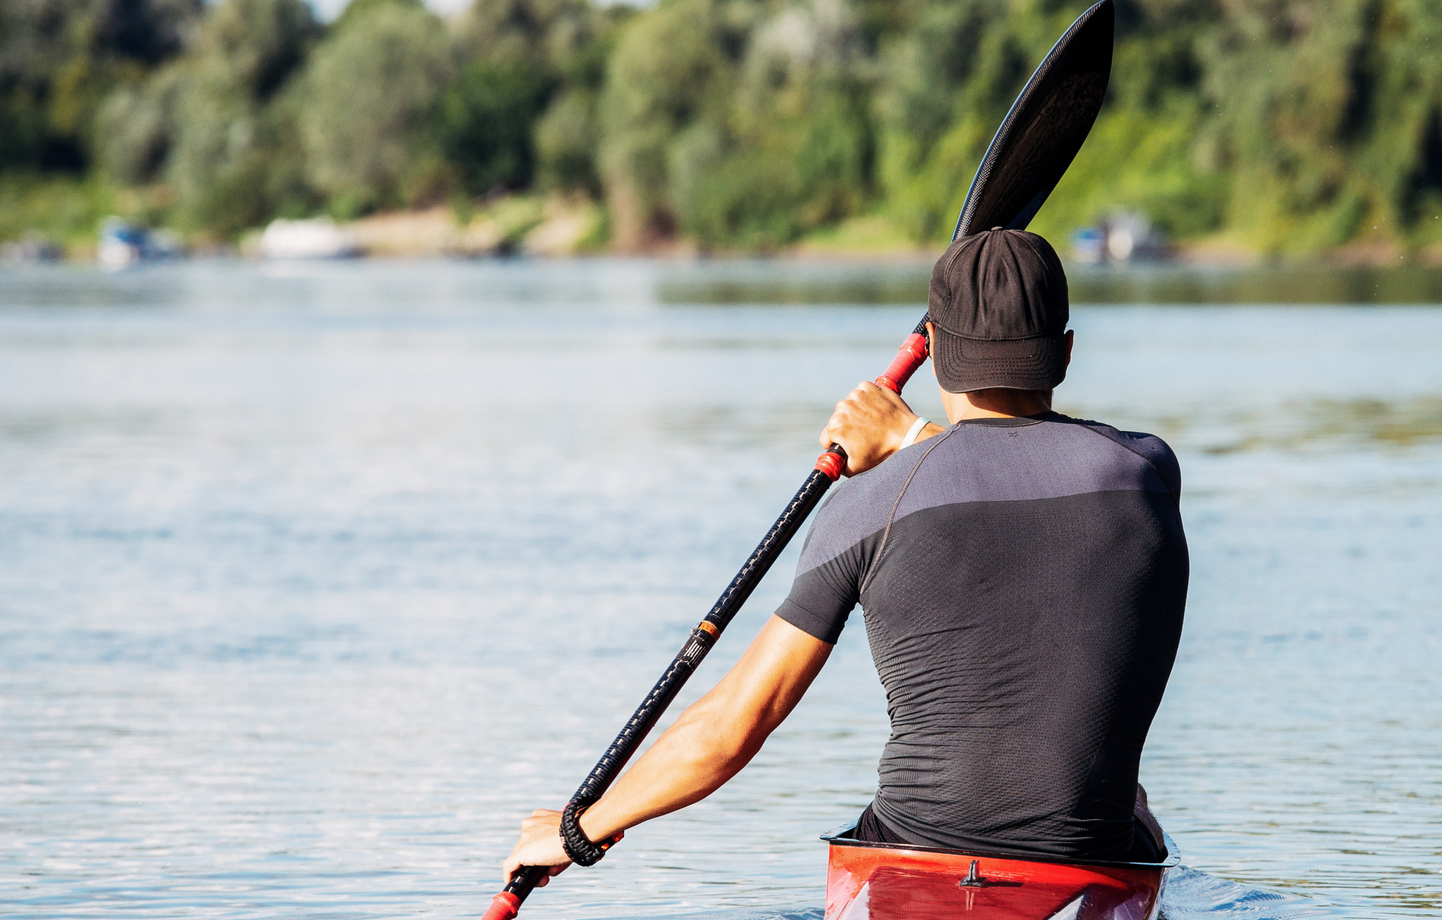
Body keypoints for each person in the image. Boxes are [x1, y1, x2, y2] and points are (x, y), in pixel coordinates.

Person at [502, 228, 1187, 886]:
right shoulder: (1148, 471)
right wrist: (914, 439)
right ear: (1064, 354)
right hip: (1090, 855)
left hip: (911, 851)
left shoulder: (867, 503)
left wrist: (578, 831)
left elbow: (736, 724)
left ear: (938, 354)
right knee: (1135, 801)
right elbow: (1022, 469)